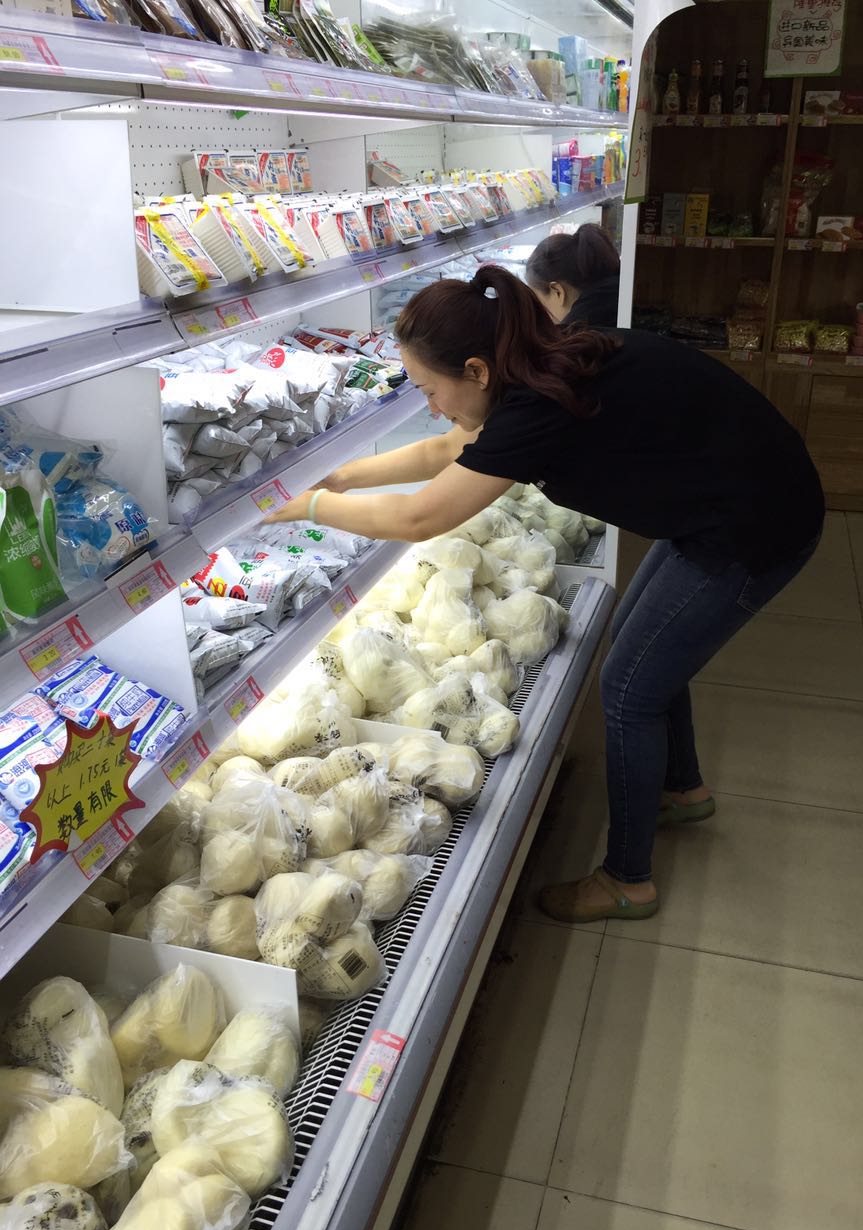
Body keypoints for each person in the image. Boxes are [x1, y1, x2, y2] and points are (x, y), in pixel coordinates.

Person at [265, 263, 824, 924]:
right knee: (642, 652)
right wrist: (343, 476)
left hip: (753, 526)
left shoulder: (534, 409)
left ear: (476, 370)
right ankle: (681, 789)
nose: (432, 407)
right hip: (725, 500)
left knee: (628, 690)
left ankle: (628, 879)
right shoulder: (538, 363)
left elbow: (419, 517)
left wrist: (308, 507)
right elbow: (446, 450)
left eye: (430, 389)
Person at [525, 222, 621, 327]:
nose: (539, 316)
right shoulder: (622, 292)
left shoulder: (580, 332)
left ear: (557, 292)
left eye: (539, 305)